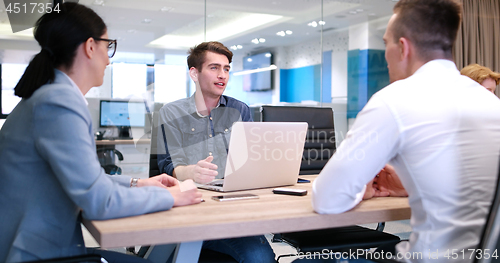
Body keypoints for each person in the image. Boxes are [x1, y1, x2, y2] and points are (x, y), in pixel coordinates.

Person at [0, 3, 201, 263]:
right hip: (40, 254)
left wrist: (137, 183)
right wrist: (168, 196)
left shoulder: (48, 96)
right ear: (90, 46)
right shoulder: (59, 102)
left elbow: (87, 180)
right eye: (108, 47)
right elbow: (99, 201)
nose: (108, 59)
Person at [312, 0, 500, 262]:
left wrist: (360, 191)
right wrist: (410, 186)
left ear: (403, 48)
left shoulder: (394, 101)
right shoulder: (491, 102)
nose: (385, 54)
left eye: (386, 42)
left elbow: (327, 200)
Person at [156, 41, 276, 263]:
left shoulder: (240, 110)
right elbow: (168, 166)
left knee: (261, 256)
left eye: (226, 68)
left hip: (233, 207)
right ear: (194, 73)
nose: (222, 75)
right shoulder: (171, 112)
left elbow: (251, 160)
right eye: (214, 68)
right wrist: (192, 171)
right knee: (258, 257)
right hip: (191, 209)